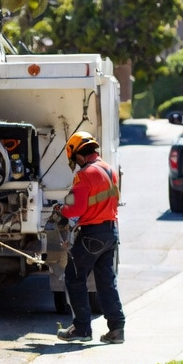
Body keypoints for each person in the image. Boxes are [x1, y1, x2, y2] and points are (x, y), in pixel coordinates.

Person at [57, 130, 125, 344]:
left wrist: (61, 210)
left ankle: (81, 329)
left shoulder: (85, 174)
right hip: (110, 232)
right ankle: (116, 329)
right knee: (106, 282)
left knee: (74, 277)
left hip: (92, 234)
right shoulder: (109, 170)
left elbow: (76, 207)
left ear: (78, 154)